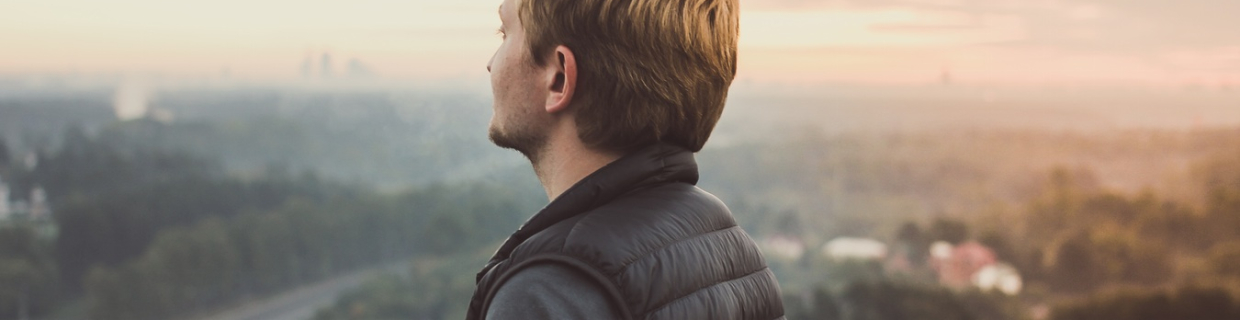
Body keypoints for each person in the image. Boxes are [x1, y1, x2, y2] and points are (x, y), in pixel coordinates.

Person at [467, 0, 785, 318]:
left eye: (504, 32)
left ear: (559, 78)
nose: (491, 63)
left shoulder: (547, 292)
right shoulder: (731, 250)